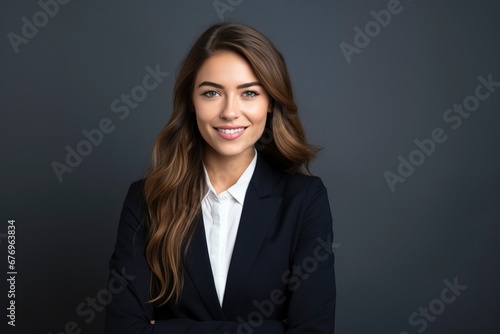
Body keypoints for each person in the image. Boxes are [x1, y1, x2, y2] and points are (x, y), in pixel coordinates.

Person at [105, 22, 336, 333]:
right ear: (191, 101)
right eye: (212, 92)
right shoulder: (146, 199)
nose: (230, 112)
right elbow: (123, 329)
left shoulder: (305, 199)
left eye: (249, 93)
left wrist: (163, 329)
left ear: (270, 103)